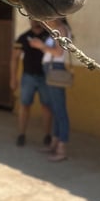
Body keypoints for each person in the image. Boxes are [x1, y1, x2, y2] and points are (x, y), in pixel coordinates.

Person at [29, 17, 71, 162]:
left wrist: (40, 46)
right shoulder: (56, 30)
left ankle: (61, 148)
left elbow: (58, 53)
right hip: (51, 69)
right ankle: (55, 143)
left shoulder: (61, 29)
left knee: (60, 110)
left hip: (55, 69)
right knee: (55, 108)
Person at [9, 19, 53, 147]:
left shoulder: (49, 37)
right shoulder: (23, 37)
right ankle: (21, 134)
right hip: (28, 77)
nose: (35, 22)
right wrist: (13, 78)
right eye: (32, 19)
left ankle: (47, 136)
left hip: (46, 78)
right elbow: (14, 58)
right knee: (24, 105)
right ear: (29, 20)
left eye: (38, 19)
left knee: (47, 107)